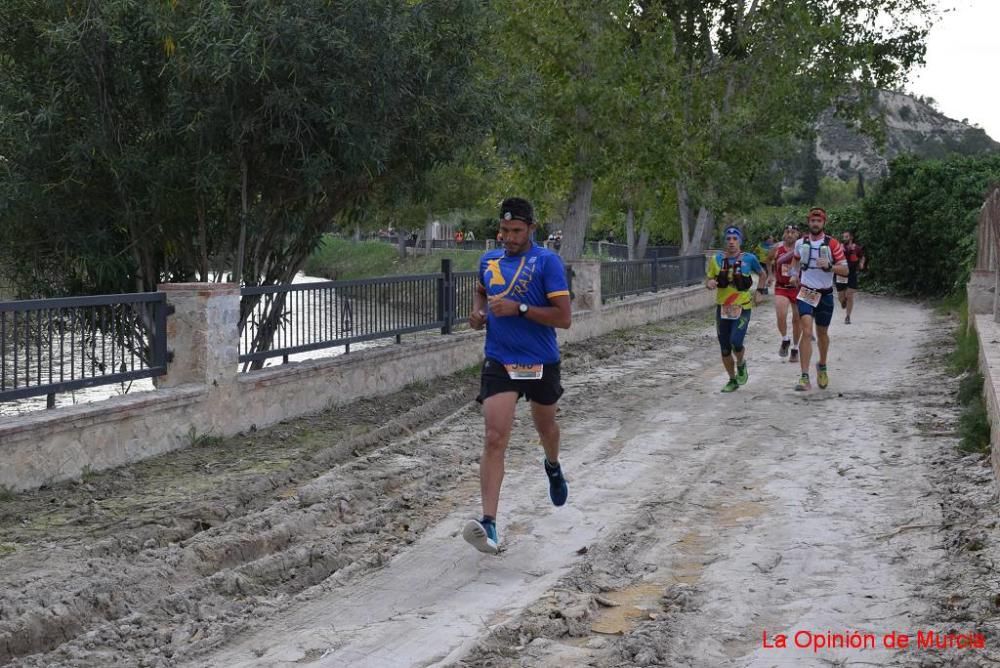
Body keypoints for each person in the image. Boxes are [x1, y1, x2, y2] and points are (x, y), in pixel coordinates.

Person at [465, 197, 572, 554]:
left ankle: (553, 466)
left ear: (531, 229)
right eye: (504, 230)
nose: (508, 237)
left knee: (546, 428)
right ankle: (490, 524)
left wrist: (520, 308)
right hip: (500, 359)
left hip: (540, 359)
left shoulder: (547, 263)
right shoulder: (488, 260)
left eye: (516, 231)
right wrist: (478, 314)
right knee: (495, 437)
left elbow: (564, 318)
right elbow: (481, 293)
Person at [782, 207, 849, 391]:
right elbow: (795, 261)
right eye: (812, 221)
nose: (815, 224)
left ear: (824, 223)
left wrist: (830, 266)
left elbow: (845, 270)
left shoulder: (833, 244)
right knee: (806, 329)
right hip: (806, 292)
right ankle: (804, 377)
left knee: (822, 334)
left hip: (825, 294)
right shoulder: (800, 243)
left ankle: (822, 365)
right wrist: (794, 275)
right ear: (808, 222)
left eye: (819, 221)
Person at [706, 226, 768, 392]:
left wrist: (760, 292)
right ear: (725, 241)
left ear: (740, 241)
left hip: (742, 306)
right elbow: (709, 278)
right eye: (728, 239)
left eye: (735, 239)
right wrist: (710, 283)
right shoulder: (716, 259)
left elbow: (762, 274)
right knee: (725, 347)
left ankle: (741, 363)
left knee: (736, 341)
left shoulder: (749, 259)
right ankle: (732, 380)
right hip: (723, 308)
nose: (731, 242)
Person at [768, 225, 803, 362]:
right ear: (784, 234)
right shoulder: (777, 248)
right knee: (781, 314)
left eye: (793, 232)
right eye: (787, 232)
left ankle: (795, 348)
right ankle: (785, 339)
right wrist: (770, 275)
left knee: (797, 320)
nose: (789, 235)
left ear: (797, 235)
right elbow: (768, 260)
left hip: (798, 288)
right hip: (781, 287)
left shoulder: (802, 247)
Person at [837, 230, 866, 324]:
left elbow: (862, 257)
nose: (844, 238)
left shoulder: (857, 248)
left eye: (846, 237)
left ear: (851, 237)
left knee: (849, 295)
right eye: (843, 237)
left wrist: (861, 263)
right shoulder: (839, 247)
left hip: (852, 273)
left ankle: (848, 316)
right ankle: (843, 302)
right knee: (841, 297)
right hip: (841, 273)